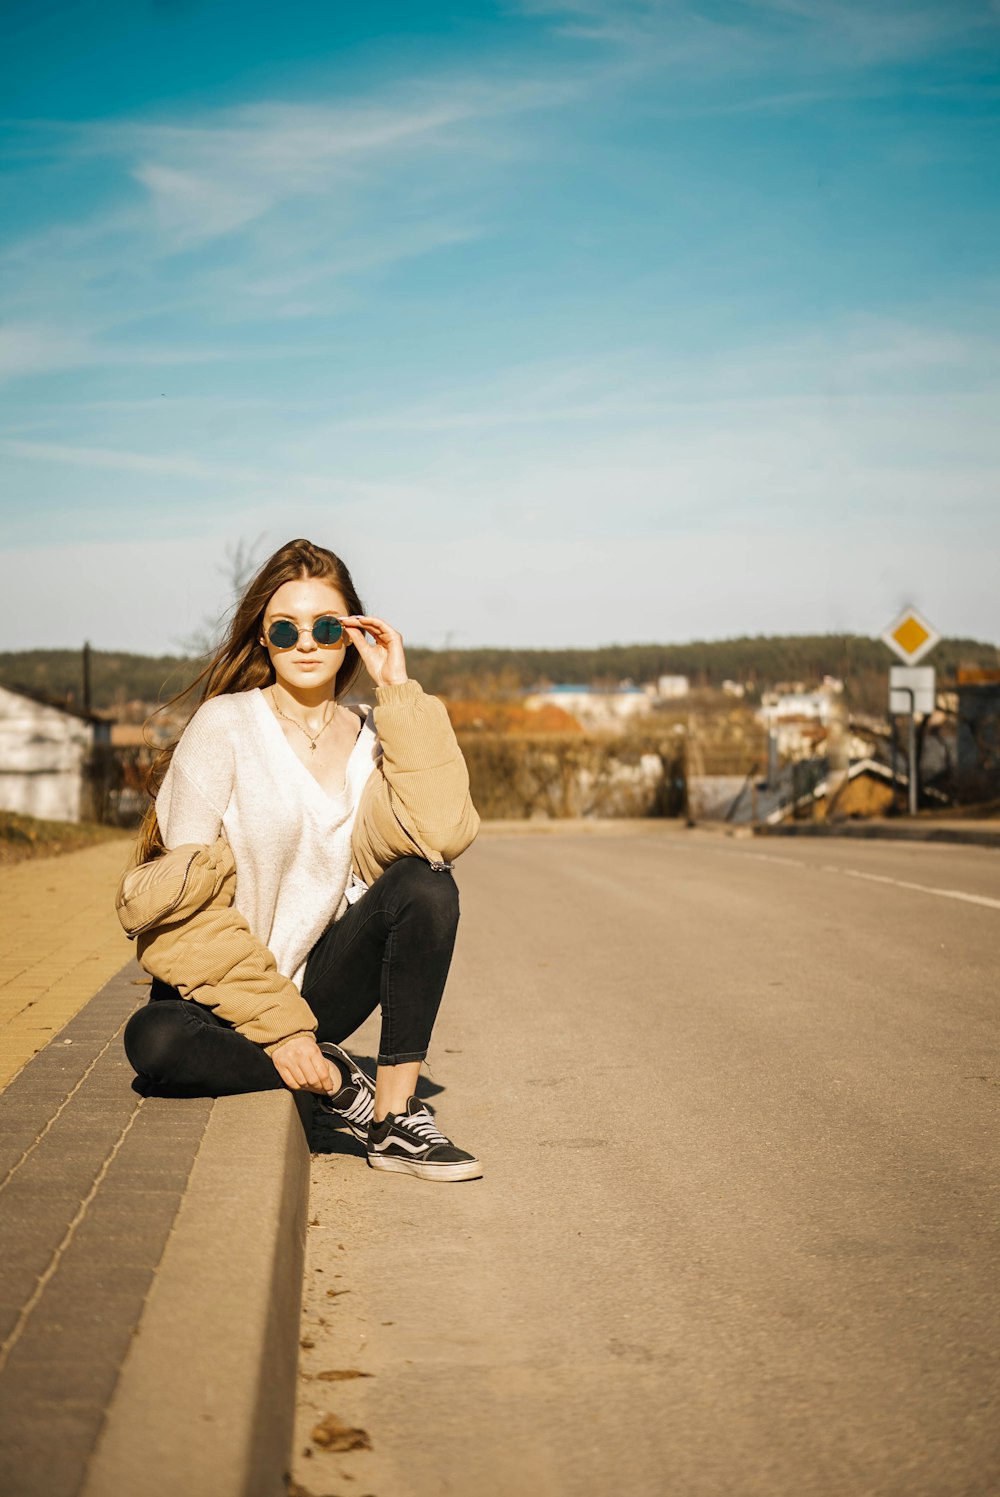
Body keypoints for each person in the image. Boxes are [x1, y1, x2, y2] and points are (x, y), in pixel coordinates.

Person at [120, 537, 482, 1182]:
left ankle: (396, 1118)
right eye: (285, 629)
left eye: (325, 626)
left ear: (353, 634)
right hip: (222, 989)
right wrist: (283, 1032)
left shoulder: (376, 733)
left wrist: (397, 691)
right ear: (263, 640)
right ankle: (339, 1079)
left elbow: (442, 833)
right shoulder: (223, 726)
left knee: (427, 885)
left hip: (317, 989)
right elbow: (187, 907)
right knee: (156, 1041)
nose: (306, 643)